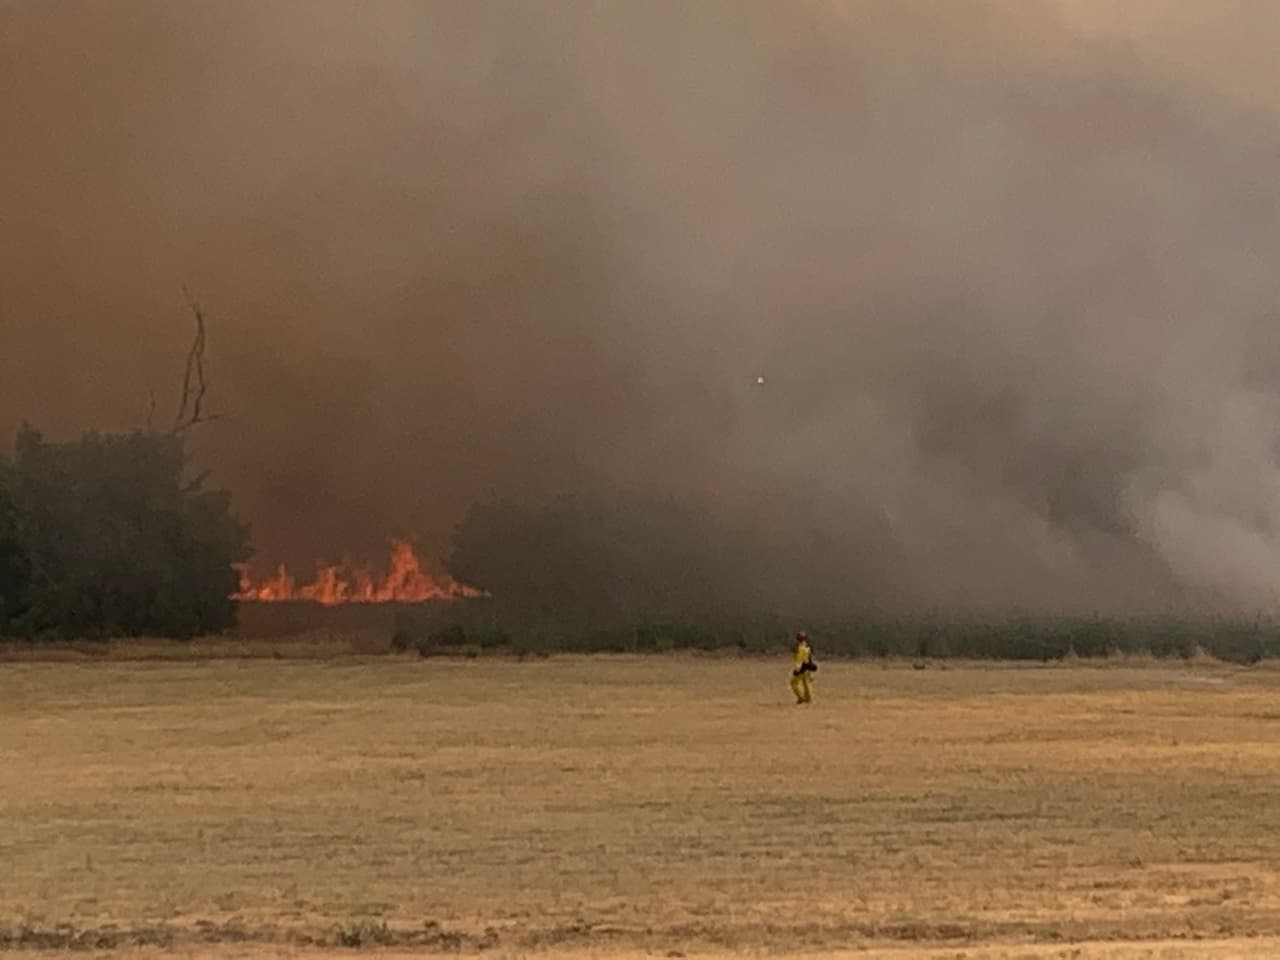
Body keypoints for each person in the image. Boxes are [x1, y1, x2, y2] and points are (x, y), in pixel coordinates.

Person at [790, 630, 816, 704]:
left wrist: (798, 669)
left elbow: (800, 660)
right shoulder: (808, 647)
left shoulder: (800, 648)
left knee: (793, 683)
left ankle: (801, 697)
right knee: (806, 684)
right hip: (807, 668)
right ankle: (808, 699)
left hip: (802, 667)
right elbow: (810, 658)